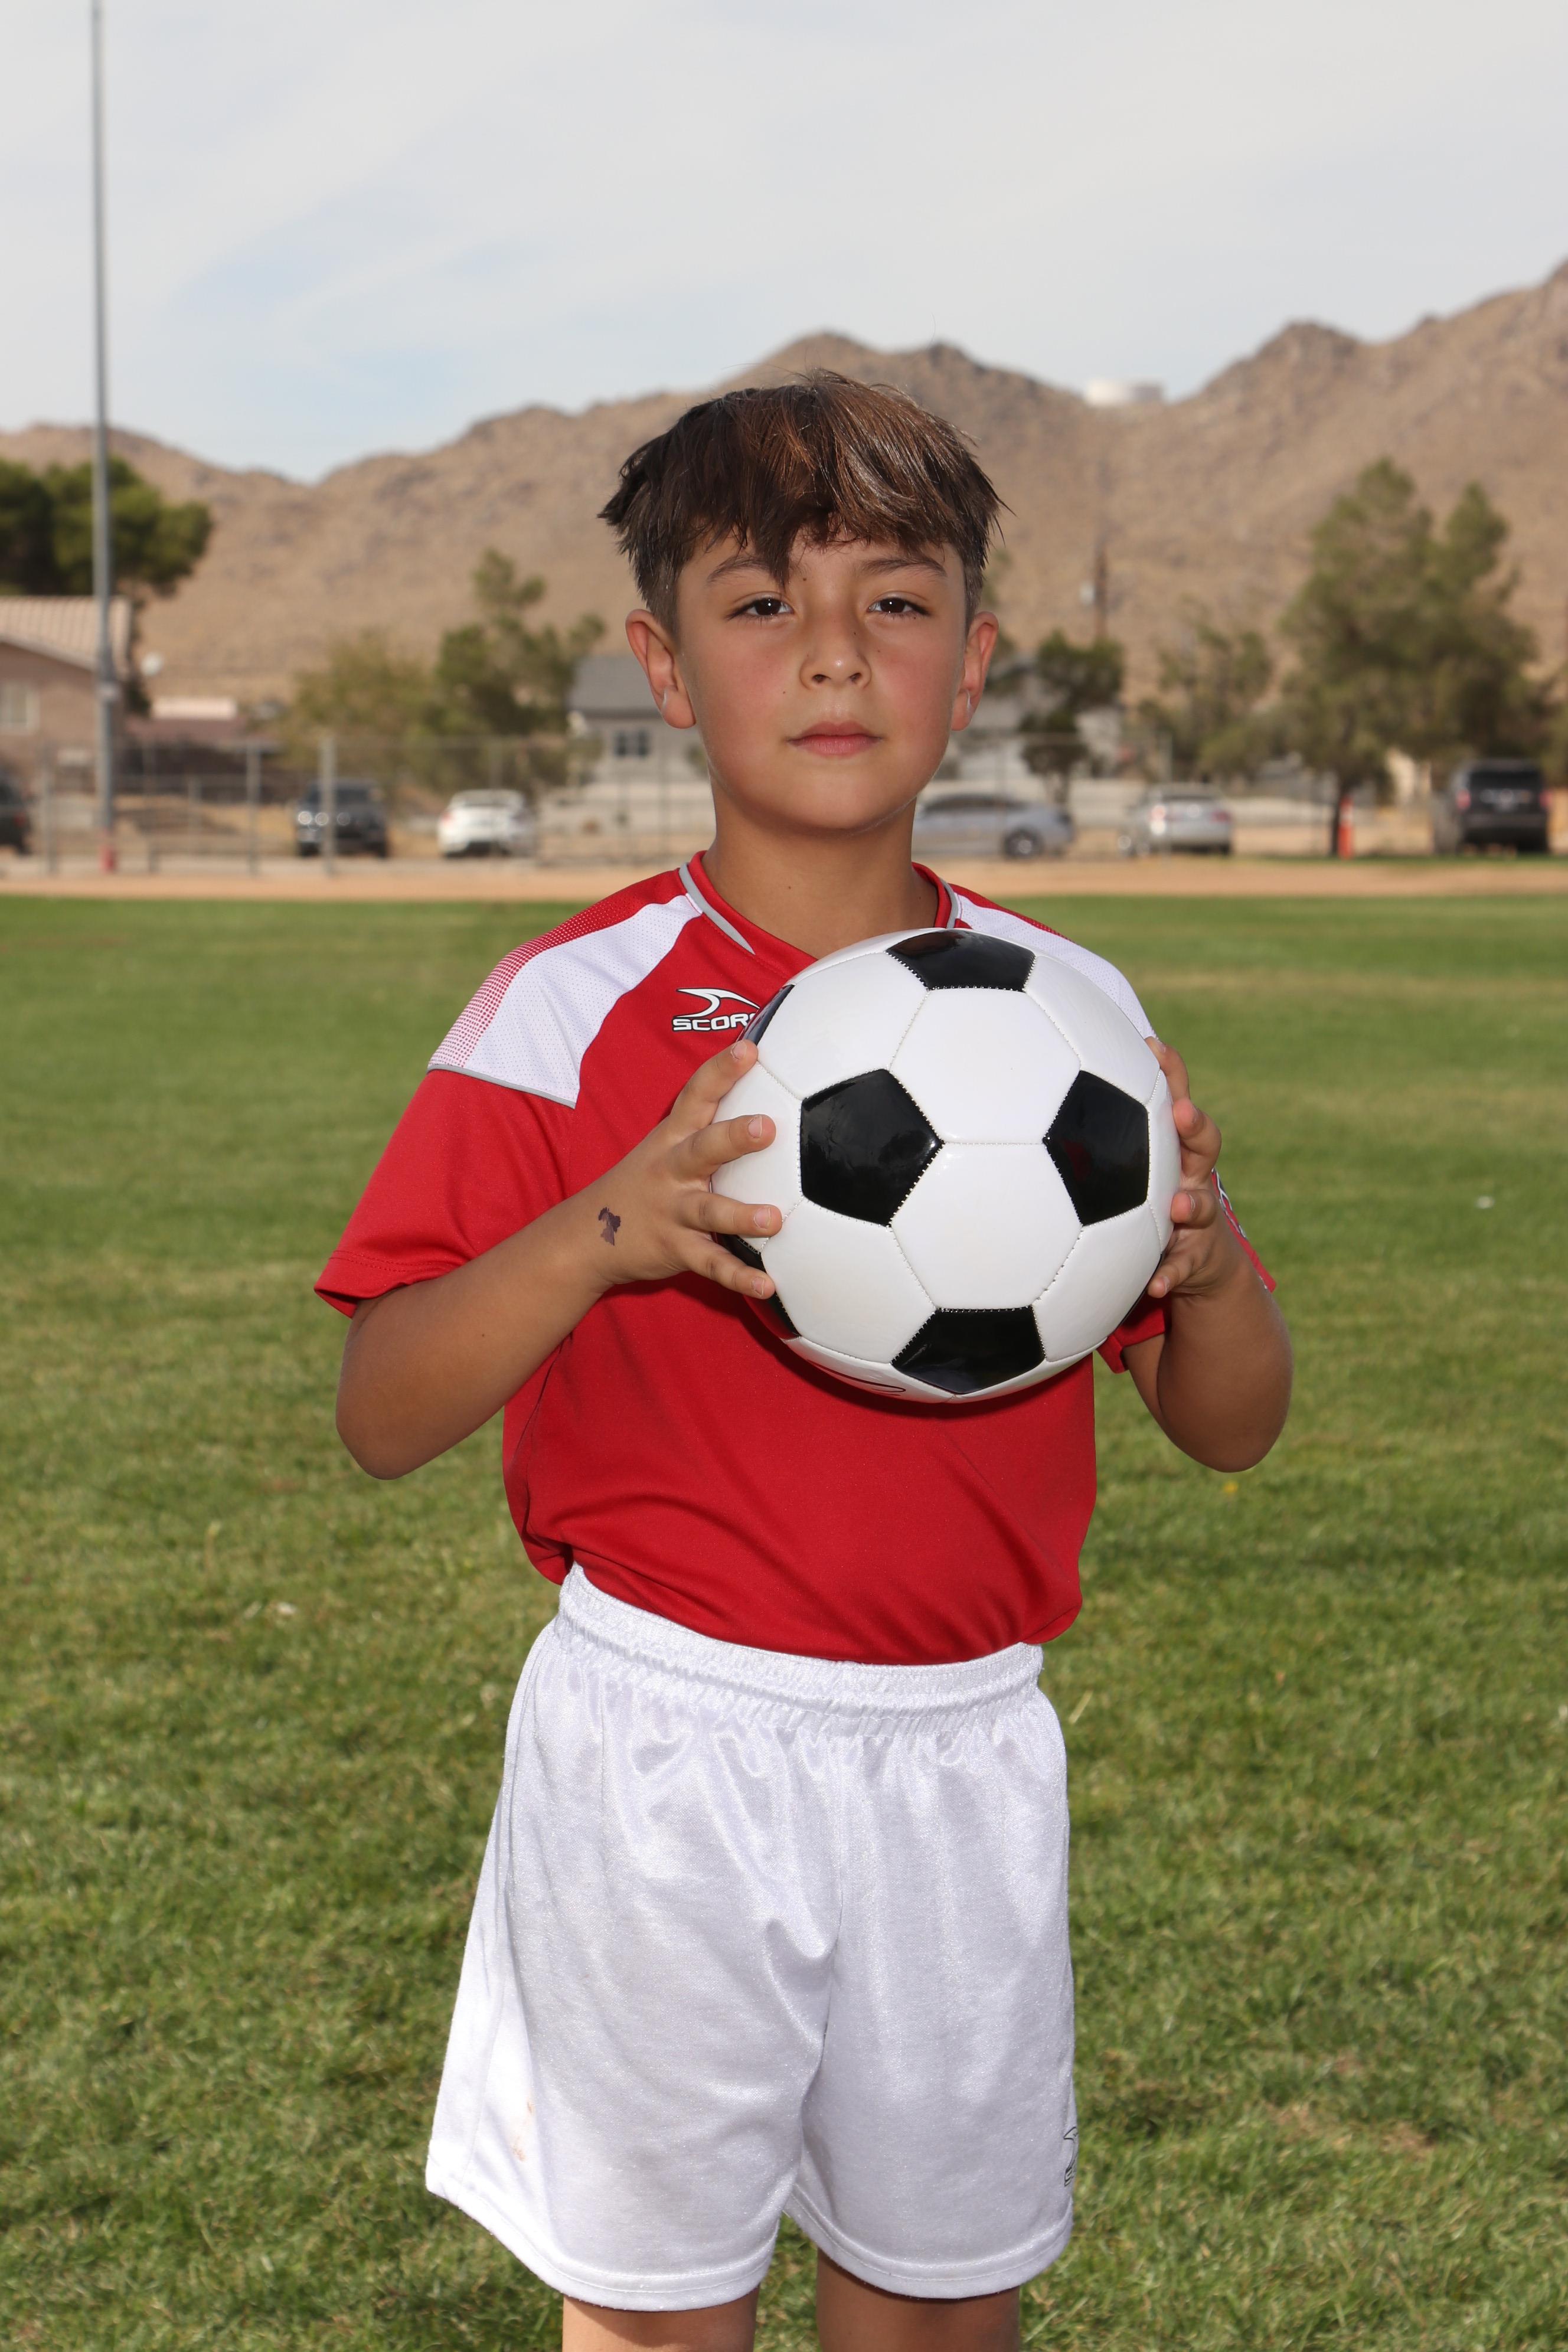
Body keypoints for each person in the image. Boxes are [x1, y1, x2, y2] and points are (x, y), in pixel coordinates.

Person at [318, 374, 1292, 2352]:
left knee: (937, 2309)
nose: (835, 651)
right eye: (763, 602)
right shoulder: (564, 1008)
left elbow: (1232, 1425)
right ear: (665, 668)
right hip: (668, 1749)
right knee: (659, 2314)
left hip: (965, 1747)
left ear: (973, 663)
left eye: (896, 600)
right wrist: (610, 1228)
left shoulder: (1067, 1016)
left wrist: (1209, 1259)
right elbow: (383, 1411)